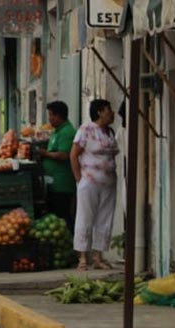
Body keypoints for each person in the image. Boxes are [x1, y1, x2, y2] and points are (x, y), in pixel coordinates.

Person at [70, 99, 120, 271]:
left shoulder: (110, 132)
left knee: (105, 218)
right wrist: (79, 178)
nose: (112, 112)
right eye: (109, 109)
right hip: (89, 181)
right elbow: (74, 155)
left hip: (108, 182)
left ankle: (98, 256)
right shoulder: (86, 129)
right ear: (99, 112)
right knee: (85, 216)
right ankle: (83, 257)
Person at [37, 101, 78, 233]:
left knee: (64, 216)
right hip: (54, 183)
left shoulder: (67, 132)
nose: (49, 119)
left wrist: (45, 153)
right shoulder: (57, 132)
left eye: (51, 115)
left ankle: (70, 244)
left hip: (62, 184)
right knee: (55, 217)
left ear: (59, 116)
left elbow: (64, 155)